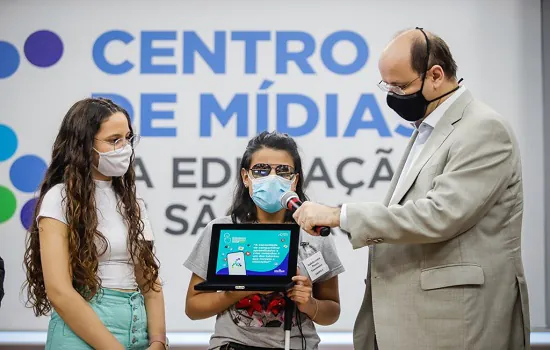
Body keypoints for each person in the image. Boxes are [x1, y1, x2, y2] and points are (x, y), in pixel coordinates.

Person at [292, 27, 530, 350]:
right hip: (413, 323)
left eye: (400, 86)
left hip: (457, 326)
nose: (393, 96)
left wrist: (339, 215)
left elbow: (438, 215)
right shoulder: (428, 129)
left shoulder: (483, 129)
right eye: (387, 86)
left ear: (435, 75)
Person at [23, 98, 168, 350]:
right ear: (84, 144)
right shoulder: (59, 199)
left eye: (128, 138)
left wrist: (158, 342)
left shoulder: (134, 204)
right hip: (81, 335)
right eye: (114, 140)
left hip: (137, 331)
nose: (125, 148)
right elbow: (59, 291)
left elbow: (150, 283)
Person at [184, 131, 345, 350]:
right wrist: (236, 292)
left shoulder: (313, 233)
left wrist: (309, 303)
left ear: (295, 179)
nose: (271, 177)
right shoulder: (223, 231)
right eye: (260, 170)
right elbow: (193, 307)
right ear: (245, 177)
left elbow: (332, 312)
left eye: (283, 171)